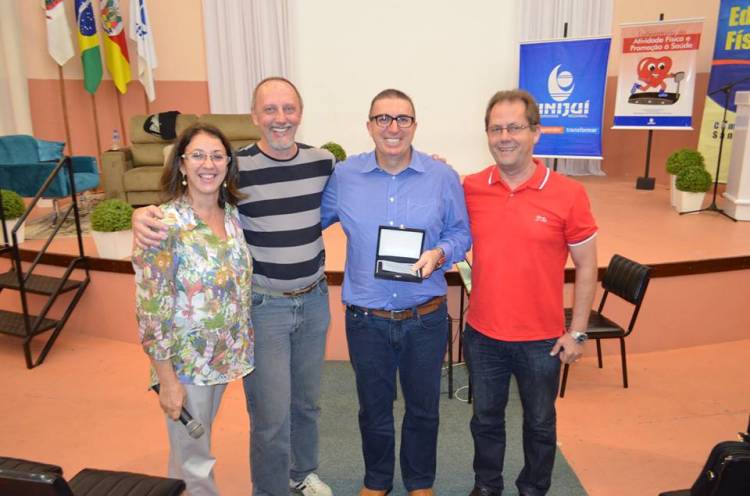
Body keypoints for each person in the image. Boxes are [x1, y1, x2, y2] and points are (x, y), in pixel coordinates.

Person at [131, 77, 335, 496]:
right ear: (254, 116)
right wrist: (140, 215)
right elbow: (150, 304)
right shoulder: (230, 171)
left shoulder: (318, 165)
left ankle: (301, 474)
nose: (280, 118)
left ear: (300, 112)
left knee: (306, 404)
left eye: (289, 108)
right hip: (255, 316)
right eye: (270, 109)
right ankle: (271, 490)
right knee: (267, 417)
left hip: (300, 308)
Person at [321, 89, 471, 496]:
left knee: (424, 409)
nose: (393, 127)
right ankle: (377, 480)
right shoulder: (344, 177)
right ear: (369, 126)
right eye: (383, 118)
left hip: (425, 317)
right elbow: (309, 220)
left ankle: (420, 482)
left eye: (403, 118)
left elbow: (462, 232)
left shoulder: (441, 177)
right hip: (366, 319)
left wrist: (441, 253)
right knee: (373, 409)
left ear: (415, 126)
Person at [461, 89, 598, 496]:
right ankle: (487, 486)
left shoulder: (569, 194)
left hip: (542, 340)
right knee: (485, 420)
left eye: (514, 127)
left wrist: (577, 331)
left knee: (539, 424)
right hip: (483, 334)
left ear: (535, 132)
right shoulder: (471, 187)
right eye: (496, 129)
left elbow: (587, 265)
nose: (504, 137)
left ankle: (534, 489)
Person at [133, 122, 254, 496]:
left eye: (217, 156)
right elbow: (151, 308)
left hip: (222, 357)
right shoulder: (163, 224)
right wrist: (167, 379)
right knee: (193, 459)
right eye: (197, 155)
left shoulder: (232, 216)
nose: (208, 164)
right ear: (182, 164)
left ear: (228, 164)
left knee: (193, 448)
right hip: (185, 365)